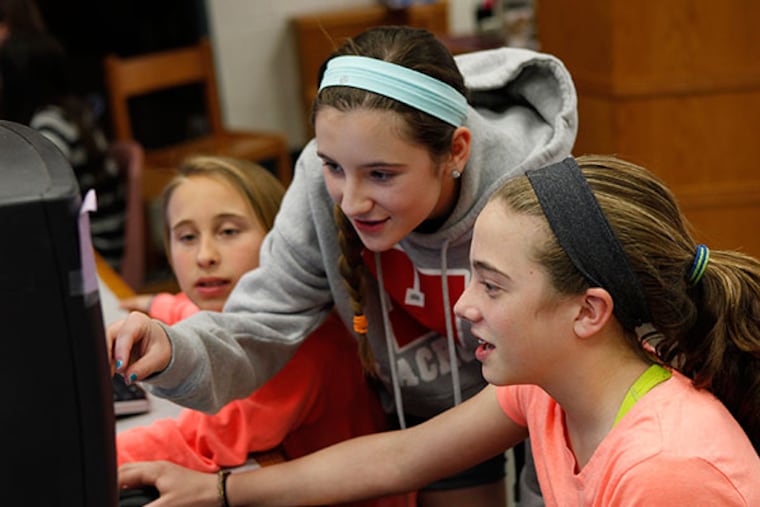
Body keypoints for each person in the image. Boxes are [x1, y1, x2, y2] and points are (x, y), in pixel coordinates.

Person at [119, 154, 760, 506]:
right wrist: (225, 490)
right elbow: (398, 458)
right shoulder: (553, 385)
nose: (462, 306)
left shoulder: (666, 470)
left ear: (588, 312)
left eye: (493, 284)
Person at [109, 25, 578, 505]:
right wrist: (174, 348)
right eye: (332, 166)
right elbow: (262, 322)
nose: (352, 202)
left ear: (455, 151)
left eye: (381, 174)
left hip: (549, 400)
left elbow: (567, 396)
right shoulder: (323, 175)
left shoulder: (534, 199)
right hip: (427, 413)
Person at [116, 155, 409, 507]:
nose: (205, 255)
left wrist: (81, 455)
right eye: (187, 237)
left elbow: (198, 440)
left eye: (228, 232)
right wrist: (157, 306)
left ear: (281, 244)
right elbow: (200, 314)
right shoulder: (238, 311)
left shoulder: (287, 344)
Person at [0, 32, 127, 269]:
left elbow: (35, 207)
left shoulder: (49, 128)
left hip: (98, 255)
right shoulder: (74, 112)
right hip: (109, 243)